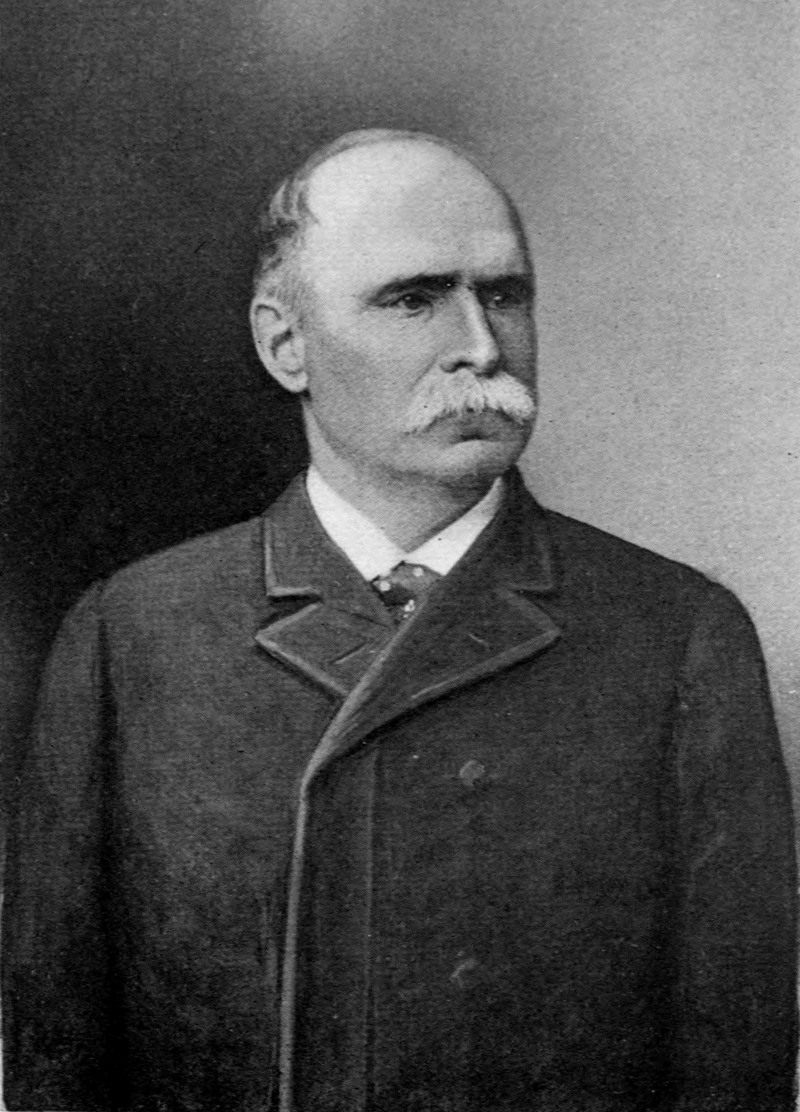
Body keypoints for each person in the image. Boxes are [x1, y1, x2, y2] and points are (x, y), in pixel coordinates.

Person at [2, 128, 797, 1112]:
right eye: (413, 299)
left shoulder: (677, 637)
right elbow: (57, 1060)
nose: (480, 345)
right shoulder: (131, 638)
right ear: (284, 343)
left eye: (503, 295)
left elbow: (736, 1072)